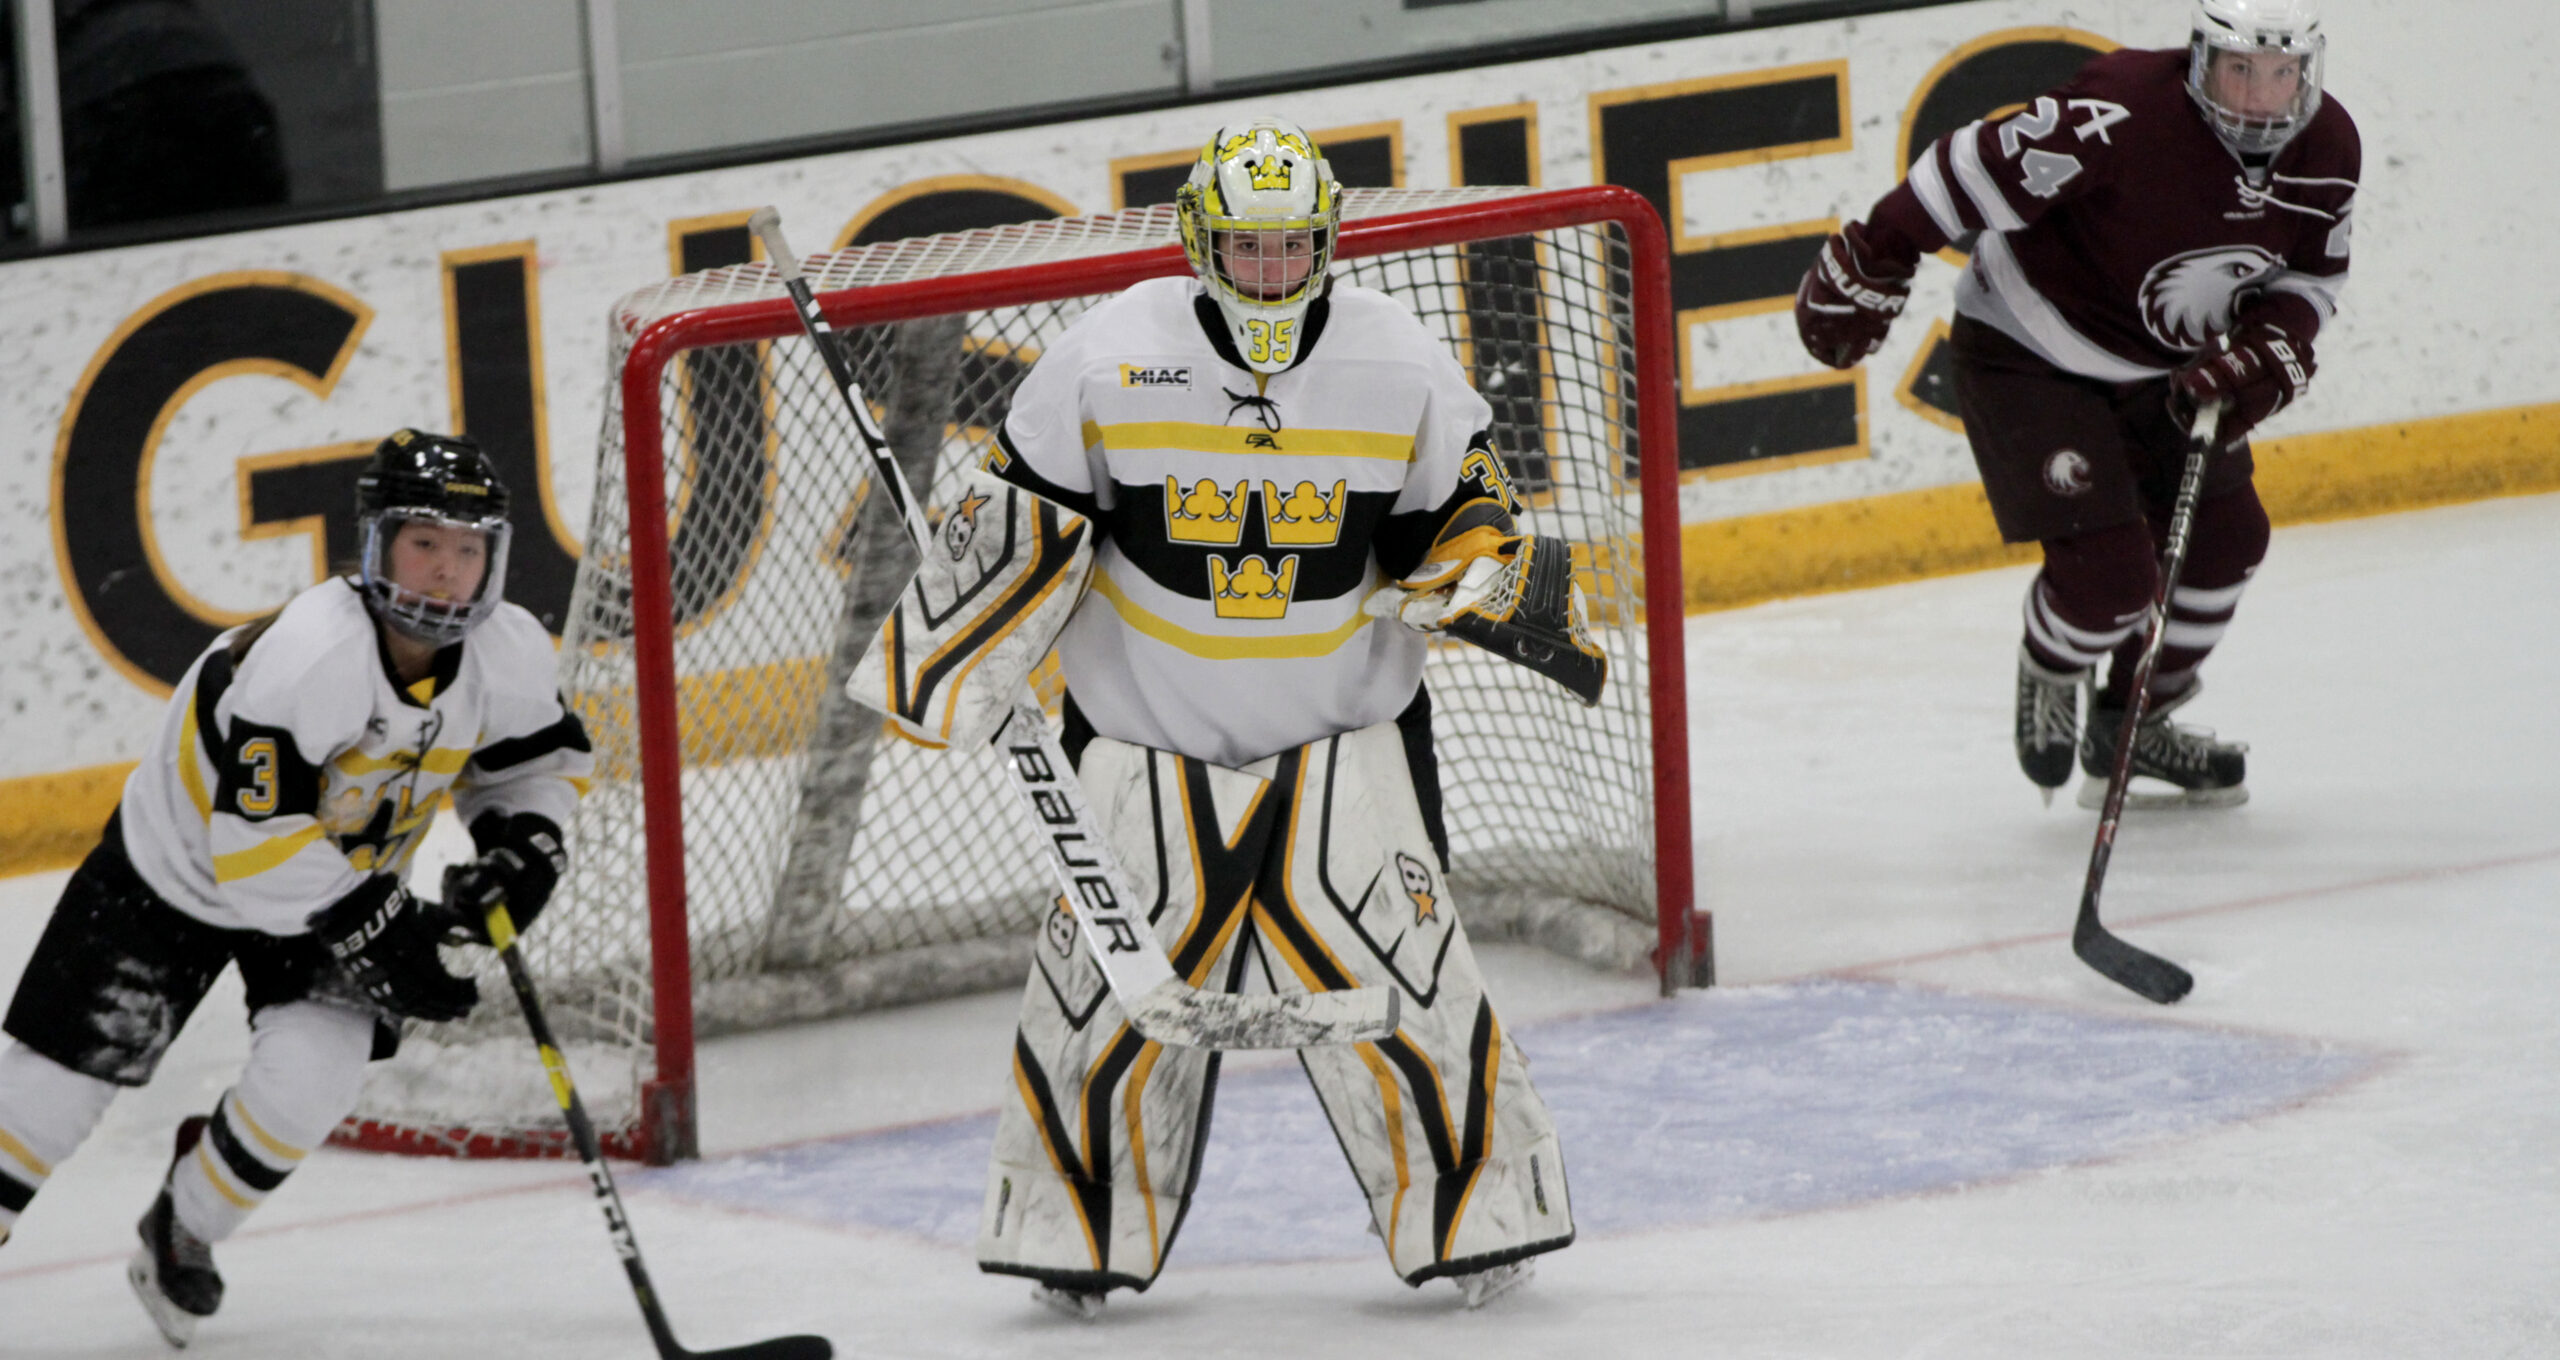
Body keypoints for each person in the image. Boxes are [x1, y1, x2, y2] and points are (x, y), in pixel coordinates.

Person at [914, 116, 1589, 1314]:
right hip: (1139, 743)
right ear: (1198, 241)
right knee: (1095, 1004)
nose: (1272, 270)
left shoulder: (1395, 357)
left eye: (1294, 247)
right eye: (1247, 247)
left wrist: (1477, 564)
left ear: (1325, 241)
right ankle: (1072, 1231)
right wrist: (957, 643)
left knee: (1409, 981)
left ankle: (1481, 1217)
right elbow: (1017, 524)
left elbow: (1473, 503)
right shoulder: (1108, 351)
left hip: (1348, 739)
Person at [0, 430, 590, 1346]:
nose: (443, 573)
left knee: (314, 1080)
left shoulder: (508, 653)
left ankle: (182, 1227)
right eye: (423, 544)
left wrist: (524, 845)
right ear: (376, 545)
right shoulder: (312, 654)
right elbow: (255, 849)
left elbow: (534, 765)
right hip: (175, 874)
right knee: (46, 1104)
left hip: (335, 890)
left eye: (466, 550)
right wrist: (388, 927)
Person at [1795, 0, 2357, 807]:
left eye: (2281, 73)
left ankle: (2135, 724)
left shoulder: (2330, 146)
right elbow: (1964, 168)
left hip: (2170, 375)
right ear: (2202, 58)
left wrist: (2272, 344)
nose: (2260, 98)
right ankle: (2053, 662)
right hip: (2030, 353)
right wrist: (1880, 251)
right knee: (2109, 584)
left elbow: (2312, 278)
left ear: (2308, 69)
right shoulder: (2122, 110)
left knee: (2228, 542)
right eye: (2240, 69)